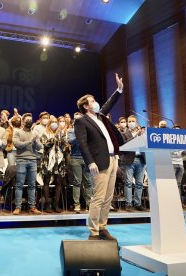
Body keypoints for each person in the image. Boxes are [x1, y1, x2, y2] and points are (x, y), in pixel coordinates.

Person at [74, 73, 124, 241]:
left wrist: (119, 90)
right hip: (99, 161)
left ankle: (103, 226)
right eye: (92, 101)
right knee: (99, 197)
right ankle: (93, 230)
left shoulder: (101, 116)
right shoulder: (81, 121)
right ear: (86, 106)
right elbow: (82, 144)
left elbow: (109, 104)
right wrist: (90, 162)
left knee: (109, 197)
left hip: (113, 159)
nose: (96, 103)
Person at [12, 113, 43, 215]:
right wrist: (30, 141)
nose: (29, 122)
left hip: (33, 161)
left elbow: (39, 147)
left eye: (30, 120)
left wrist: (35, 140)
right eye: (27, 120)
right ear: (23, 121)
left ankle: (32, 207)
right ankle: (18, 207)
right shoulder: (17, 132)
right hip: (21, 160)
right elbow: (17, 145)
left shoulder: (34, 133)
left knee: (32, 185)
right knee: (19, 185)